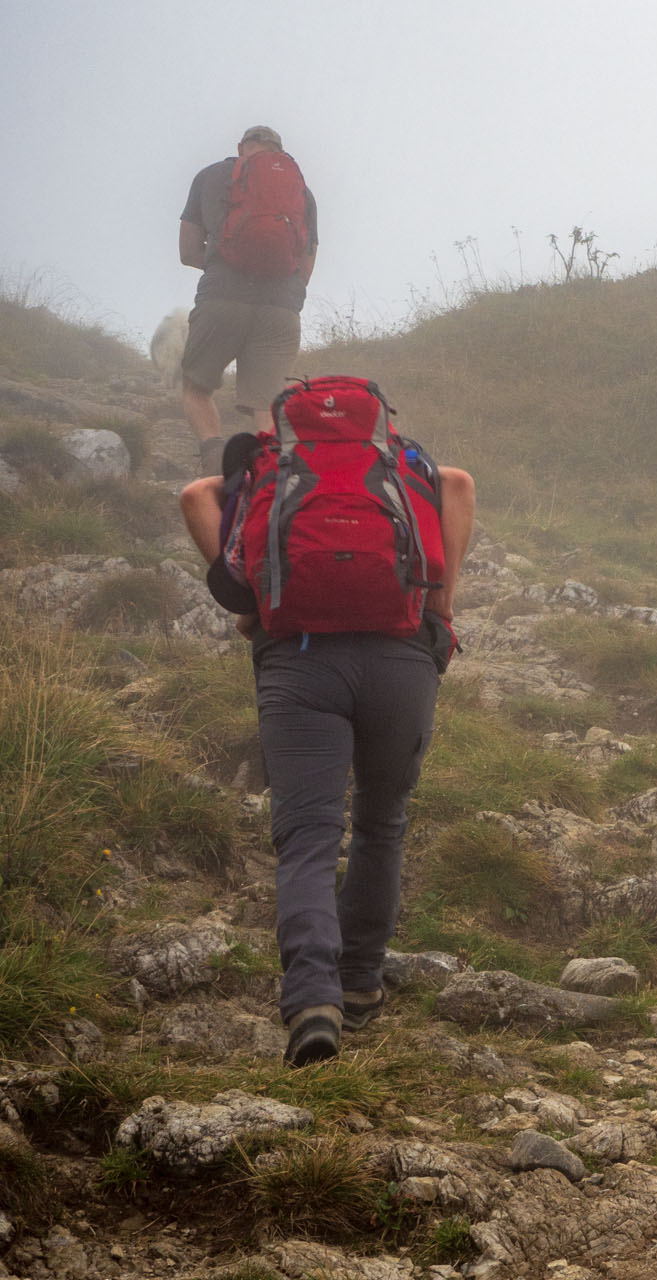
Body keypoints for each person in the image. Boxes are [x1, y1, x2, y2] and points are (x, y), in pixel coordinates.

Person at [179, 425, 475, 1066]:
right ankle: (361, 983)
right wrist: (442, 609)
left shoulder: (270, 464)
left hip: (300, 659)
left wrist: (253, 605)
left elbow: (195, 494)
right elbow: (459, 485)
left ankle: (313, 1001)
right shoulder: (402, 460)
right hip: (400, 658)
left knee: (307, 835)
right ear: (375, 419)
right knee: (381, 821)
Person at [178, 126, 318, 478]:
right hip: (282, 307)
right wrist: (288, 291)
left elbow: (187, 251)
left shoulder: (210, 176)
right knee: (266, 402)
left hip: (223, 296)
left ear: (242, 147)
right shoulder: (301, 189)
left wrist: (220, 263)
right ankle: (270, 475)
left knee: (196, 387)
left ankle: (214, 460)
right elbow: (307, 257)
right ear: (279, 152)